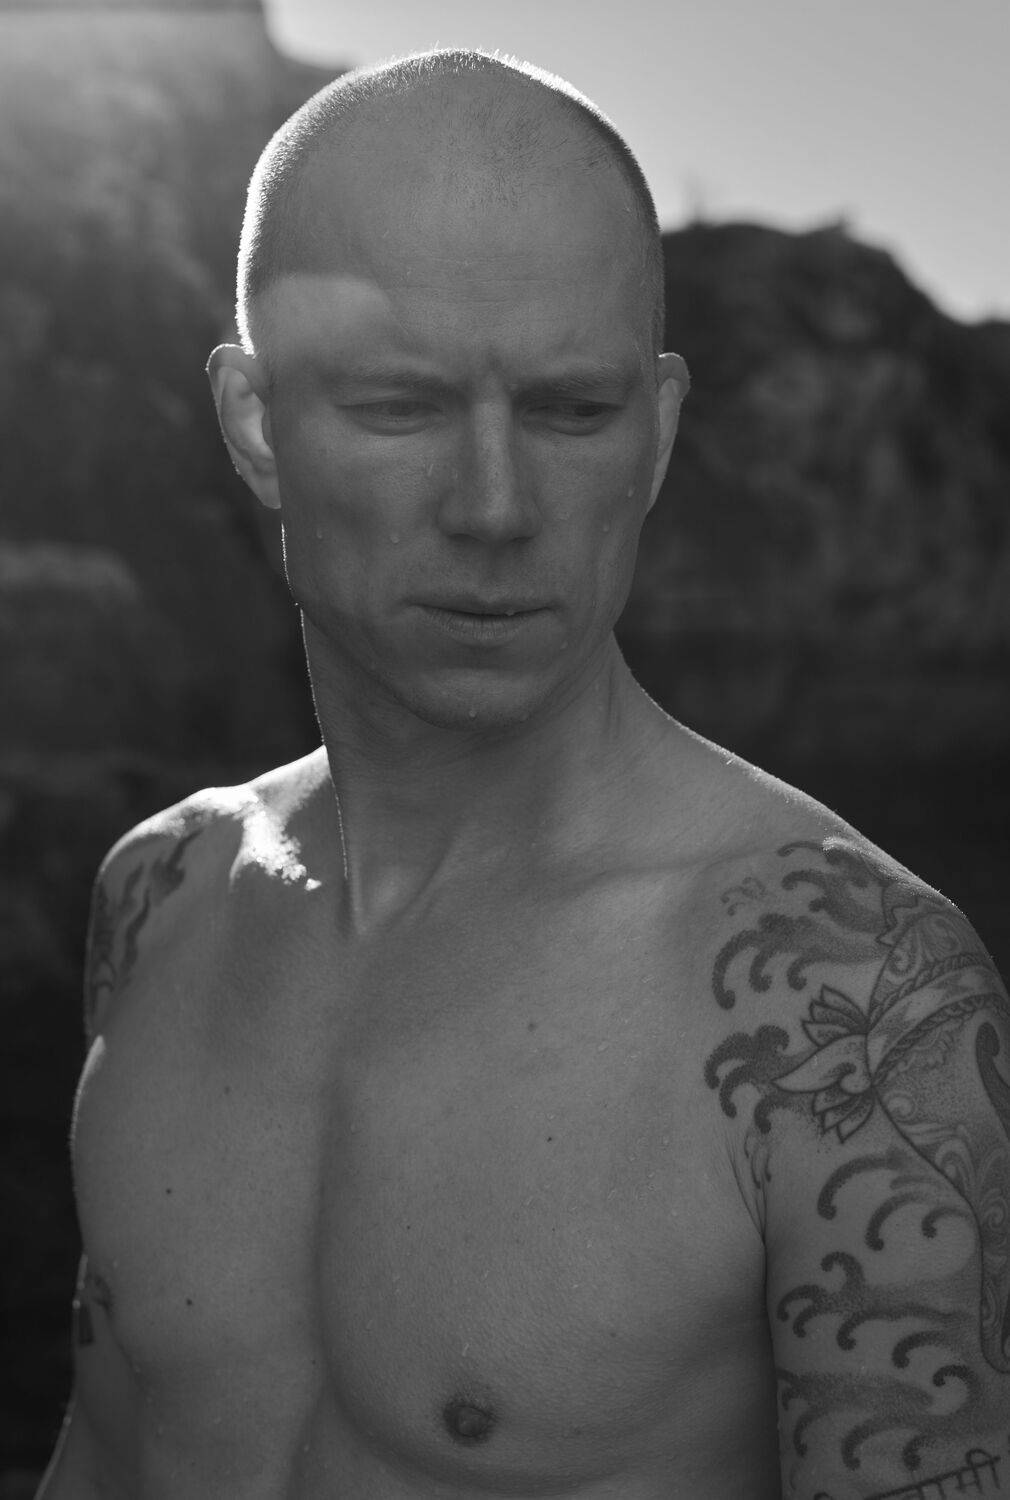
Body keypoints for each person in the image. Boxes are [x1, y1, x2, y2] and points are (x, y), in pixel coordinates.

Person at [37, 46, 1010, 1500]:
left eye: (570, 410)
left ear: (658, 433)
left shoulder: (855, 1006)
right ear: (254, 423)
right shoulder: (159, 900)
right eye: (399, 405)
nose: (494, 507)